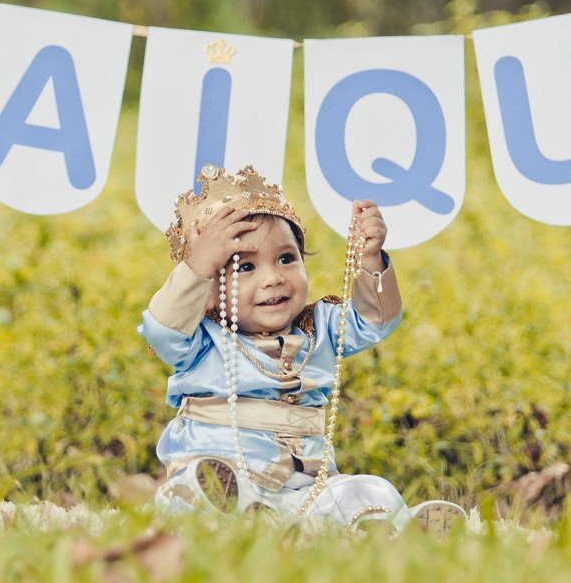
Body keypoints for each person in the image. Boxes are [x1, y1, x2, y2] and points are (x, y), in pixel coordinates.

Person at [139, 164, 464, 533]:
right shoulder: (201, 339)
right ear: (208, 290)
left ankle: (390, 528)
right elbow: (162, 329)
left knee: (369, 490)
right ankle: (232, 514)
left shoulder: (319, 328)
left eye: (286, 258)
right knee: (194, 490)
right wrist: (197, 265)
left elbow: (377, 321)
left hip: (307, 489)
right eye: (245, 266)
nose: (273, 277)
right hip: (230, 477)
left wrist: (369, 258)